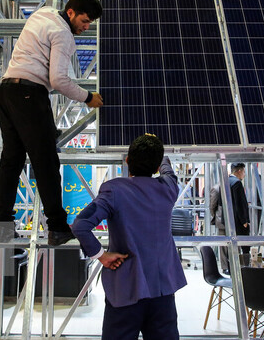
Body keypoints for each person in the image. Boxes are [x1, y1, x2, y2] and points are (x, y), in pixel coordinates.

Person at [0, 0, 104, 246]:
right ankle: (57, 227)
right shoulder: (64, 35)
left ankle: (3, 226)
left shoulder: (42, 14)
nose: (86, 27)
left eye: (89, 23)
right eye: (84, 21)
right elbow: (58, 80)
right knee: (46, 162)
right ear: (71, 13)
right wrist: (88, 97)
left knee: (11, 159)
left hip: (7, 91)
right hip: (29, 95)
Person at [71, 134, 187, 340]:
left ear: (127, 161)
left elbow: (81, 225)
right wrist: (159, 156)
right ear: (155, 167)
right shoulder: (168, 188)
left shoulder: (114, 190)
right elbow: (168, 171)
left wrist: (101, 255)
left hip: (125, 291)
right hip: (162, 292)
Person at [209, 163, 250, 273]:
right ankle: (233, 267)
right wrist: (244, 221)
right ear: (239, 171)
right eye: (244, 172)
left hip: (225, 219)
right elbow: (240, 204)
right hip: (232, 221)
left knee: (226, 245)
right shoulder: (236, 183)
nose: (244, 175)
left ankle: (229, 267)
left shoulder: (225, 182)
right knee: (231, 245)